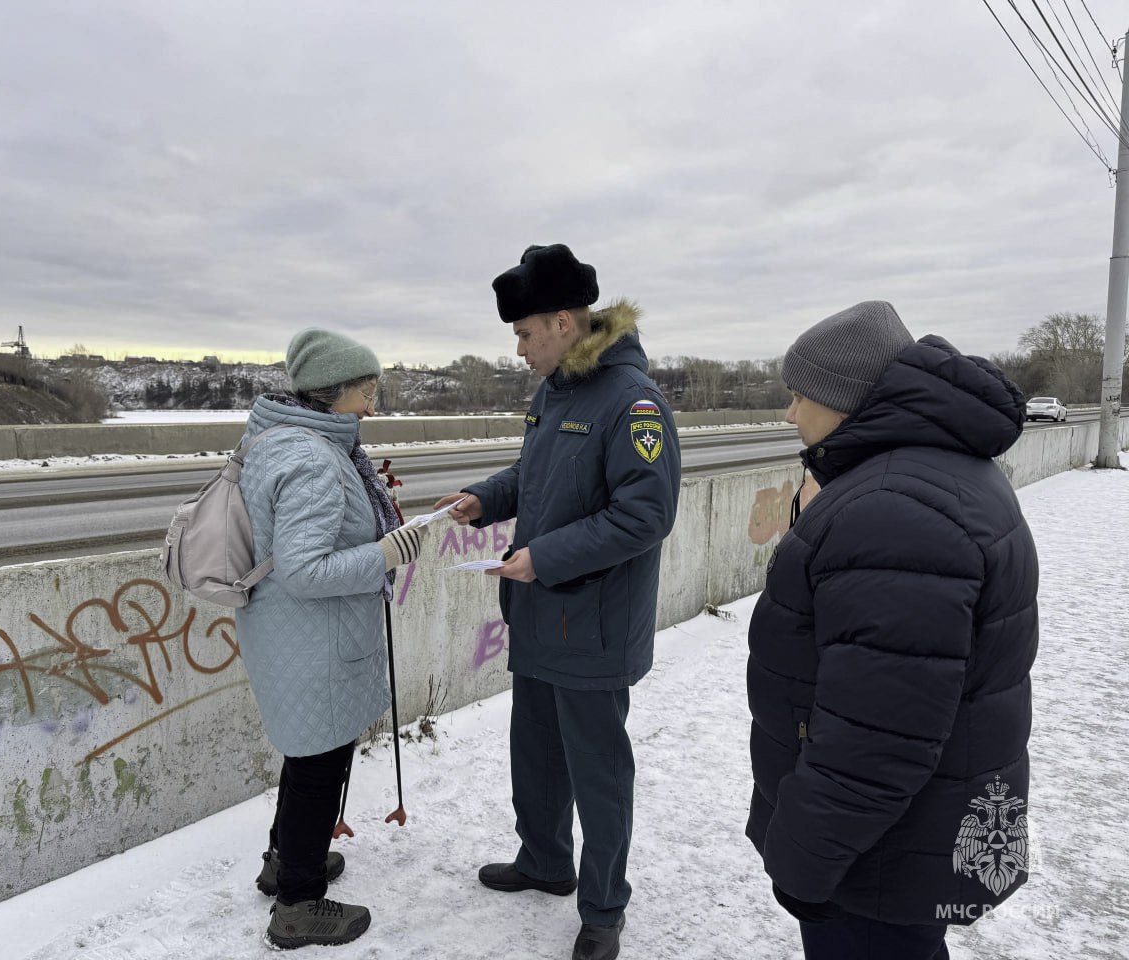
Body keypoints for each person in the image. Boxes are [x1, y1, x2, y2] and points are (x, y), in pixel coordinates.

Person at [746, 301, 1039, 960]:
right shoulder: (934, 474)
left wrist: (805, 858)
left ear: (844, 397)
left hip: (877, 855)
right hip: (910, 833)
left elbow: (877, 735)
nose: (791, 415)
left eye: (799, 396)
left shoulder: (891, 513)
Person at [435, 244, 682, 960]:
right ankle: (544, 858)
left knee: (598, 772)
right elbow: (535, 472)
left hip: (594, 622)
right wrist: (485, 498)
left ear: (565, 323)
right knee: (535, 752)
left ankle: (603, 906)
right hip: (540, 612)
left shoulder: (633, 402)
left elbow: (646, 515)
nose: (517, 349)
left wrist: (546, 557)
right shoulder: (555, 392)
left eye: (524, 333)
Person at [234, 328, 429, 950]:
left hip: (288, 635)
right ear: (333, 391)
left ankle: (287, 863)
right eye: (367, 390)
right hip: (313, 640)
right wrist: (386, 552)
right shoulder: (316, 459)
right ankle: (298, 905)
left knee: (305, 757)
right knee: (320, 767)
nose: (374, 404)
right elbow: (304, 569)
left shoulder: (274, 439)